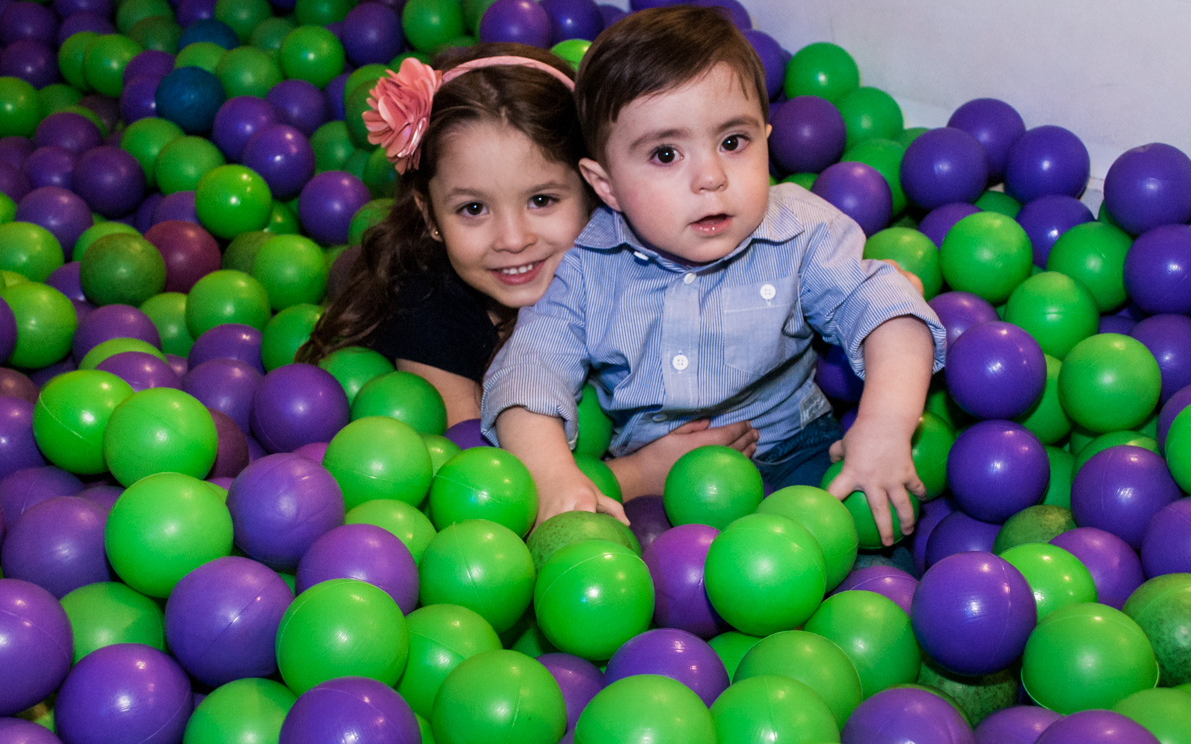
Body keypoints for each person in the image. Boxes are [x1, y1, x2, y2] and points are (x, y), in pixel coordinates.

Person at [481, 7, 947, 544]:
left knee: (848, 547)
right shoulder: (586, 268)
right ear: (605, 186)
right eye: (665, 154)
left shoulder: (799, 231)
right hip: (655, 486)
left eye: (733, 142)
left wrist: (884, 429)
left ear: (767, 140)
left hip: (795, 454)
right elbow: (528, 373)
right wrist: (555, 477)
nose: (711, 178)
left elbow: (889, 309)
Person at [299, 42, 758, 501]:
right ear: (431, 215)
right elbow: (477, 478)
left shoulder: (635, 255)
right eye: (473, 208)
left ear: (598, 190)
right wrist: (638, 474)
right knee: (364, 270)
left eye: (542, 200)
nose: (513, 238)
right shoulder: (425, 305)